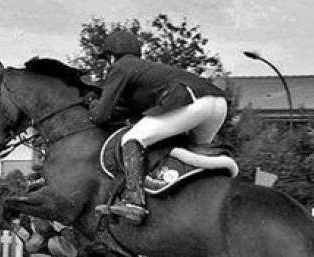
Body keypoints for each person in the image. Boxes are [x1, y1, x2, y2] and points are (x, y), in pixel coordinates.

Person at [89, 30, 228, 224]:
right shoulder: (145, 70)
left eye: (106, 60)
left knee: (132, 139)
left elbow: (101, 115)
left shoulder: (121, 66)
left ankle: (134, 202)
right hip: (218, 103)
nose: (107, 65)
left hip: (191, 102)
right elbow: (135, 110)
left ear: (112, 56)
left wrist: (92, 106)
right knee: (192, 156)